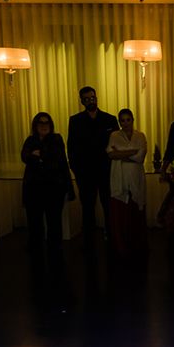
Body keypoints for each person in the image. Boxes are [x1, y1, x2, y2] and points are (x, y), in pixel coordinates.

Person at [67, 86, 119, 247]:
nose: (91, 101)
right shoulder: (75, 120)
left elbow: (117, 144)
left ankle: (111, 237)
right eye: (87, 98)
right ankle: (88, 240)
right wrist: (77, 170)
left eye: (93, 97)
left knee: (108, 207)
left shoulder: (109, 119)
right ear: (82, 101)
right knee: (87, 207)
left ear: (96, 98)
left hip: (106, 171)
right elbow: (72, 147)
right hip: (85, 173)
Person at [21, 112, 74, 257]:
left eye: (46, 123)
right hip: (34, 188)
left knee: (54, 221)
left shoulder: (56, 139)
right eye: (40, 123)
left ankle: (54, 250)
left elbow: (59, 160)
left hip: (54, 188)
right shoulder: (30, 140)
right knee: (34, 221)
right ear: (35, 125)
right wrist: (37, 156)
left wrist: (40, 155)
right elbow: (25, 156)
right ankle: (36, 248)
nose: (44, 126)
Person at [106, 109, 147, 258]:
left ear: (133, 119)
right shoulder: (114, 135)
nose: (125, 123)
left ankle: (137, 245)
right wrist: (132, 151)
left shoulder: (140, 136)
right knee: (119, 214)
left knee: (136, 212)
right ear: (119, 122)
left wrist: (121, 154)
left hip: (136, 177)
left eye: (128, 119)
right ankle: (121, 246)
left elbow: (140, 157)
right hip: (119, 177)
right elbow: (110, 154)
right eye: (122, 120)